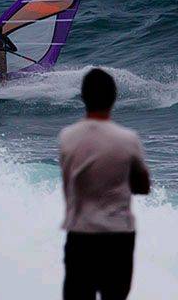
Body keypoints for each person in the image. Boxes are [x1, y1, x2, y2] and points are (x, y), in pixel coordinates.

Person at [59, 68, 150, 300]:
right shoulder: (128, 139)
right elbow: (143, 187)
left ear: (82, 97)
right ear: (114, 98)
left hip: (81, 235)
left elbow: (70, 182)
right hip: (117, 237)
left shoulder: (68, 137)